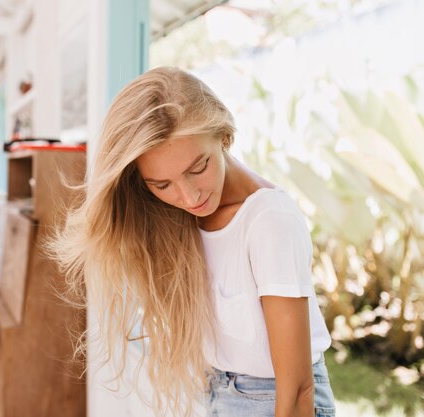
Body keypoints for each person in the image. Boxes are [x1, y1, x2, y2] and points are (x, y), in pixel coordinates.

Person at [48, 67, 336, 417]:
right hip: (221, 393)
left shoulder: (268, 220)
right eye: (162, 184)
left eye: (198, 167)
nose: (188, 195)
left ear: (224, 137)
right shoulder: (179, 219)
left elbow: (298, 391)